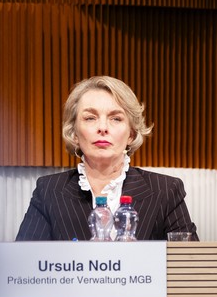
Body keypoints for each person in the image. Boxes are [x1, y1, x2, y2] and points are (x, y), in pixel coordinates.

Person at [16, 76, 199, 241]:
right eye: (90, 118)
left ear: (131, 134)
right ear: (74, 133)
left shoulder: (166, 191)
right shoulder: (49, 191)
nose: (102, 127)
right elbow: (23, 262)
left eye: (116, 119)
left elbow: (190, 262)